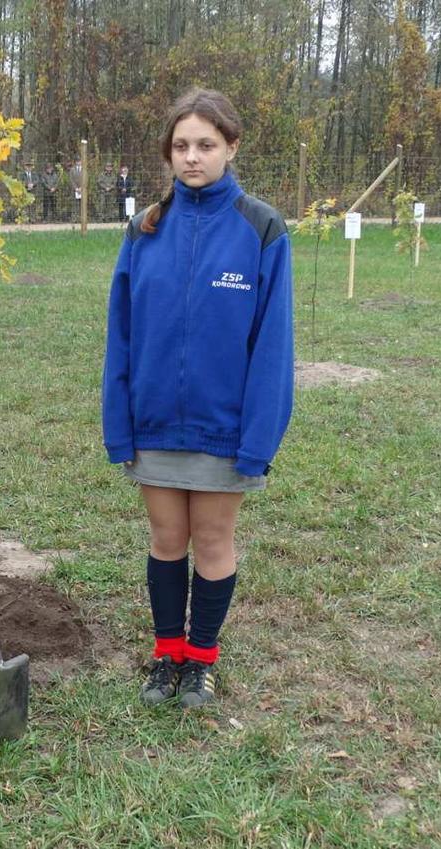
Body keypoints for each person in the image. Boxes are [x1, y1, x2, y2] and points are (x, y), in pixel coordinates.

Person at [102, 88, 294, 709]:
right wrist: (118, 422)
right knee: (165, 541)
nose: (192, 157)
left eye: (206, 145)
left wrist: (258, 438)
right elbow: (121, 336)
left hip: (223, 428)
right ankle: (167, 654)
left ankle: (202, 660)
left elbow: (272, 346)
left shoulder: (261, 228)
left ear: (231, 148)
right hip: (154, 422)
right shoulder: (145, 230)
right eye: (181, 146)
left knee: (212, 542)